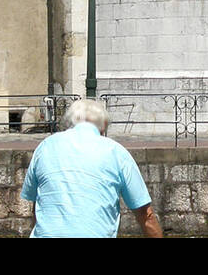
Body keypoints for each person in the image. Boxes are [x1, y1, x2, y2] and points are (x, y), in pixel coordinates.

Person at [20, 98, 162, 238]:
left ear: (70, 122)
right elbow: (145, 215)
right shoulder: (116, 152)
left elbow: (37, 206)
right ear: (103, 125)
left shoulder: (45, 147)